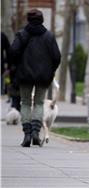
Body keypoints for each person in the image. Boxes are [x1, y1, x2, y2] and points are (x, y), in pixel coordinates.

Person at [10, 9, 61, 147]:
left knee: (25, 102)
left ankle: (26, 134)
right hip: (43, 76)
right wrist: (51, 70)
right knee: (39, 103)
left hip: (24, 75)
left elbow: (13, 52)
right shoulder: (49, 36)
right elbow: (57, 56)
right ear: (42, 20)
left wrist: (16, 67)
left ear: (28, 20)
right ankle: (35, 133)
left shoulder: (22, 35)